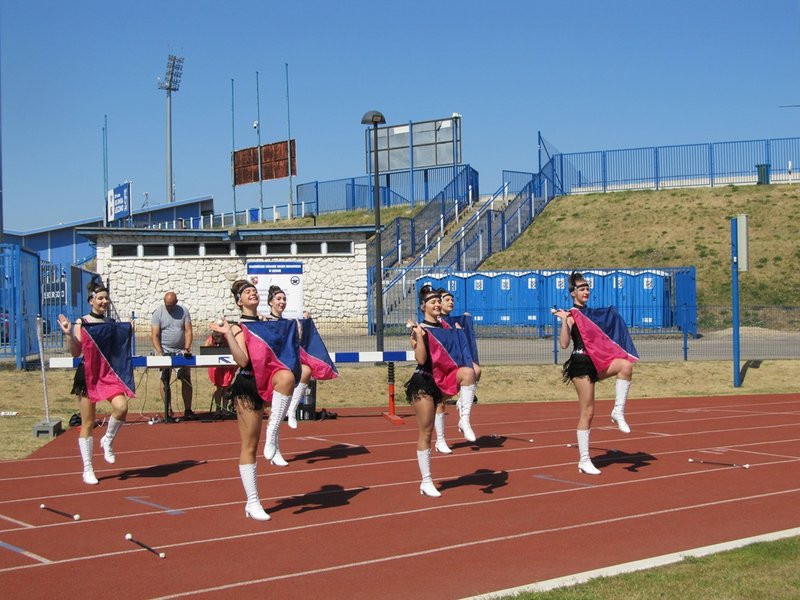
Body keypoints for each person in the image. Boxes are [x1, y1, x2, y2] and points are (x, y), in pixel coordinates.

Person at [209, 280, 299, 521]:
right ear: (239, 301)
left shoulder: (268, 324)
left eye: (253, 291)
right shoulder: (239, 327)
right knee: (250, 446)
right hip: (248, 384)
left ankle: (274, 434)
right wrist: (228, 333)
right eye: (246, 292)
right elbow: (242, 361)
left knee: (289, 377)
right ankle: (252, 502)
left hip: (270, 379)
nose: (252, 293)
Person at [554, 272, 638, 475]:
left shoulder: (592, 314)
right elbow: (564, 344)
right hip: (581, 365)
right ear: (573, 293)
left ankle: (618, 411)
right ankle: (584, 460)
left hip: (596, 363)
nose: (586, 291)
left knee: (626, 366)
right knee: (588, 412)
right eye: (582, 289)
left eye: (587, 288)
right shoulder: (573, 315)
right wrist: (564, 321)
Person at [58, 280, 135, 485]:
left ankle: (107, 441)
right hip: (88, 375)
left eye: (106, 298)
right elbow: (76, 351)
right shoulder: (82, 322)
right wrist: (68, 334)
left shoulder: (111, 323)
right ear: (91, 300)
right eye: (100, 298)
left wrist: (128, 332)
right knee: (88, 422)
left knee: (122, 407)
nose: (104, 301)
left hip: (107, 375)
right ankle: (88, 468)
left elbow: (118, 352)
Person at [405, 285, 476, 497]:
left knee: (468, 373)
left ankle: (464, 420)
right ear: (423, 306)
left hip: (443, 379)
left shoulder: (446, 327)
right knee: (426, 433)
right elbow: (421, 360)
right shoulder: (420, 329)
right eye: (432, 301)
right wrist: (417, 336)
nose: (437, 304)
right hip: (425, 382)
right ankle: (426, 481)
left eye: (438, 300)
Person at [263, 286, 338, 432]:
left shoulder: (291, 322)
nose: (282, 302)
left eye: (284, 299)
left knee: (306, 370)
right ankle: (271, 442)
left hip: (287, 364)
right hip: (271, 367)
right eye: (278, 299)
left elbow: (298, 342)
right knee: (272, 415)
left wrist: (304, 324)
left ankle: (292, 410)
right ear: (270, 302)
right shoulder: (264, 321)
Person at [436, 288, 481, 449]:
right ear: (437, 302)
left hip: (455, 365)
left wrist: (464, 322)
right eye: (447, 299)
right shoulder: (434, 323)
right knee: (439, 402)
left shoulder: (453, 321)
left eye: (452, 299)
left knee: (475, 370)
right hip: (439, 368)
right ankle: (440, 440)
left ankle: (464, 417)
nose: (451, 302)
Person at [151, 291, 194, 419]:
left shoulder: (184, 311)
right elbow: (155, 335)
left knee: (186, 378)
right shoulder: (158, 313)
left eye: (171, 305)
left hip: (180, 350)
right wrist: (159, 351)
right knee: (165, 379)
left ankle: (188, 410)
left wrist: (187, 348)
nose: (169, 307)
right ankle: (168, 410)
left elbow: (188, 331)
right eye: (167, 305)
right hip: (164, 350)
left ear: (176, 302)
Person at [205, 330, 236, 416]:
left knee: (226, 387)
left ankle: (225, 409)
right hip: (215, 367)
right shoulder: (209, 340)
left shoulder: (228, 339)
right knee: (218, 388)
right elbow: (204, 352)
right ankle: (218, 409)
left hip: (227, 367)